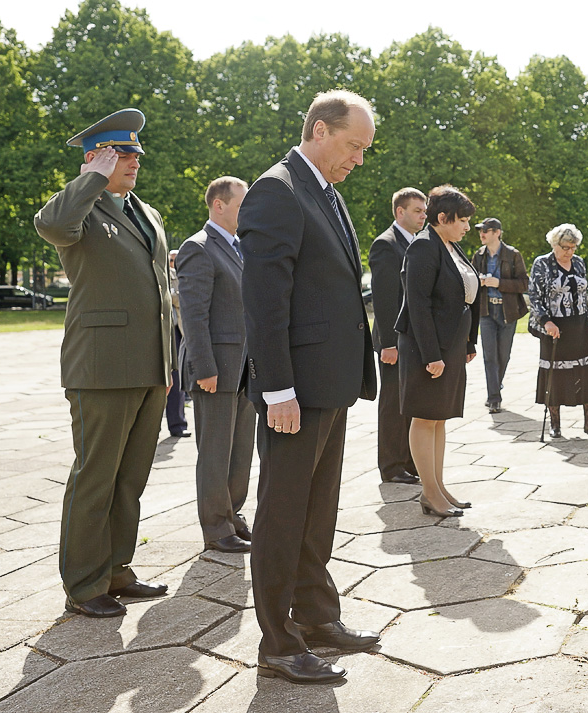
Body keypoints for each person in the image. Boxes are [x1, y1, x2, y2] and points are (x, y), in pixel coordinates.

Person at [238, 89, 381, 684]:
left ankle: (317, 616)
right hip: (295, 390)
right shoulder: (277, 190)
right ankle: (277, 639)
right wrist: (277, 392)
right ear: (320, 130)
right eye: (354, 146)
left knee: (318, 509)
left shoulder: (324, 191)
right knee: (283, 512)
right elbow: (265, 303)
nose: (359, 160)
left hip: (330, 382)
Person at [34, 108, 173, 618]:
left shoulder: (147, 213)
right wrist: (89, 177)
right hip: (102, 366)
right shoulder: (80, 210)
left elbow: (161, 293)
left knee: (129, 477)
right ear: (96, 157)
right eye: (121, 153)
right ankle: (84, 584)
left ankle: (116, 568)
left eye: (135, 152)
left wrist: (168, 362)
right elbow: (50, 225)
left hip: (148, 365)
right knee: (96, 474)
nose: (133, 161)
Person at [175, 176, 255, 555]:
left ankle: (232, 515)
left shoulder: (242, 247)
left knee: (240, 452)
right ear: (218, 205)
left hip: (244, 369)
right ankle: (215, 528)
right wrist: (204, 366)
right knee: (215, 453)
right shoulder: (198, 248)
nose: (248, 211)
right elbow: (193, 314)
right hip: (216, 369)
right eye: (242, 204)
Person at [394, 185, 480, 517]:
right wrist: (432, 355)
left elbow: (465, 296)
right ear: (442, 218)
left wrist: (468, 342)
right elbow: (418, 306)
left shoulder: (450, 245)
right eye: (463, 221)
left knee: (439, 418)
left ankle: (439, 487)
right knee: (425, 417)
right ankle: (429, 492)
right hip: (426, 349)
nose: (467, 227)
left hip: (451, 346)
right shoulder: (423, 248)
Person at [368, 187, 426, 486]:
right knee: (393, 405)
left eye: (424, 210)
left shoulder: (416, 244)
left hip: (411, 340)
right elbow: (384, 298)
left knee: (408, 403)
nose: (423, 216)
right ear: (399, 212)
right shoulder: (386, 245)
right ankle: (391, 466)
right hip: (394, 342)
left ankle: (407, 461)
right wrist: (389, 344)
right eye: (417, 211)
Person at [527, 224, 588, 439]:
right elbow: (534, 296)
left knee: (587, 374)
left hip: (578, 325)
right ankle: (555, 424)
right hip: (554, 328)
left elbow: (583, 297)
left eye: (573, 247)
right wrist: (546, 322)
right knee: (555, 376)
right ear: (554, 244)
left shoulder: (579, 263)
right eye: (565, 247)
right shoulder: (542, 264)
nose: (569, 252)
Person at [472, 217, 528, 414]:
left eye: (485, 230)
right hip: (486, 311)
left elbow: (524, 284)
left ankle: (496, 385)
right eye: (480, 230)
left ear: (497, 233)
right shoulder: (478, 256)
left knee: (503, 355)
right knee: (489, 356)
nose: (481, 234)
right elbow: (470, 283)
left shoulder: (513, 255)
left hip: (508, 311)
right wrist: (479, 280)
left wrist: (499, 283)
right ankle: (494, 397)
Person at [165, 249, 190, 437]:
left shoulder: (176, 275)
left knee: (176, 379)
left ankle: (178, 424)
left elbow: (183, 299)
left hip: (176, 332)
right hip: (157, 331)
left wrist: (170, 296)